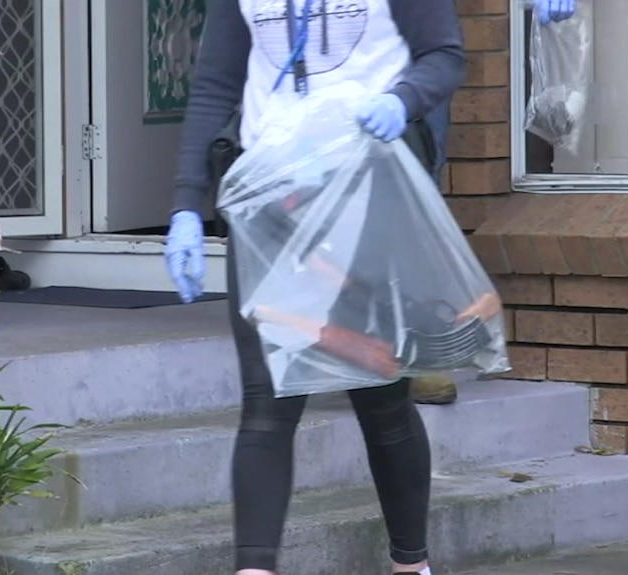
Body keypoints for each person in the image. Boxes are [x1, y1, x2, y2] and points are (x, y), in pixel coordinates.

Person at [164, 2, 574, 574]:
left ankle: (411, 563)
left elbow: (443, 56)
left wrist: (401, 101)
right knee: (267, 400)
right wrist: (187, 204)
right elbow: (214, 87)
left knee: (380, 393)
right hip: (270, 201)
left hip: (367, 194)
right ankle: (254, 568)